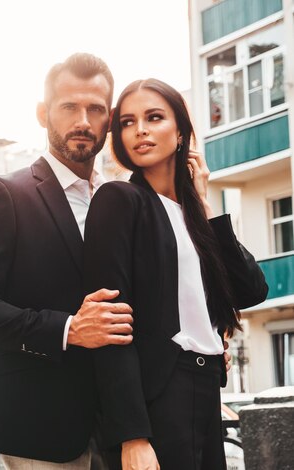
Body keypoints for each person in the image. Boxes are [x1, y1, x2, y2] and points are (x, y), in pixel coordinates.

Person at [0, 53, 136, 468]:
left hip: (121, 428)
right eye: (69, 106)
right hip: (38, 426)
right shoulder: (7, 194)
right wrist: (68, 329)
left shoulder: (124, 200)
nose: (83, 120)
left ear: (109, 119)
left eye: (95, 109)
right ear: (42, 113)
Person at [83, 78, 268, 470]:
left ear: (181, 131)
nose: (141, 130)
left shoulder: (193, 216)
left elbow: (252, 290)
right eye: (128, 122)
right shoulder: (119, 200)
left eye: (154, 117)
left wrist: (205, 204)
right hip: (158, 396)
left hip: (205, 391)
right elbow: (111, 324)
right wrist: (132, 435)